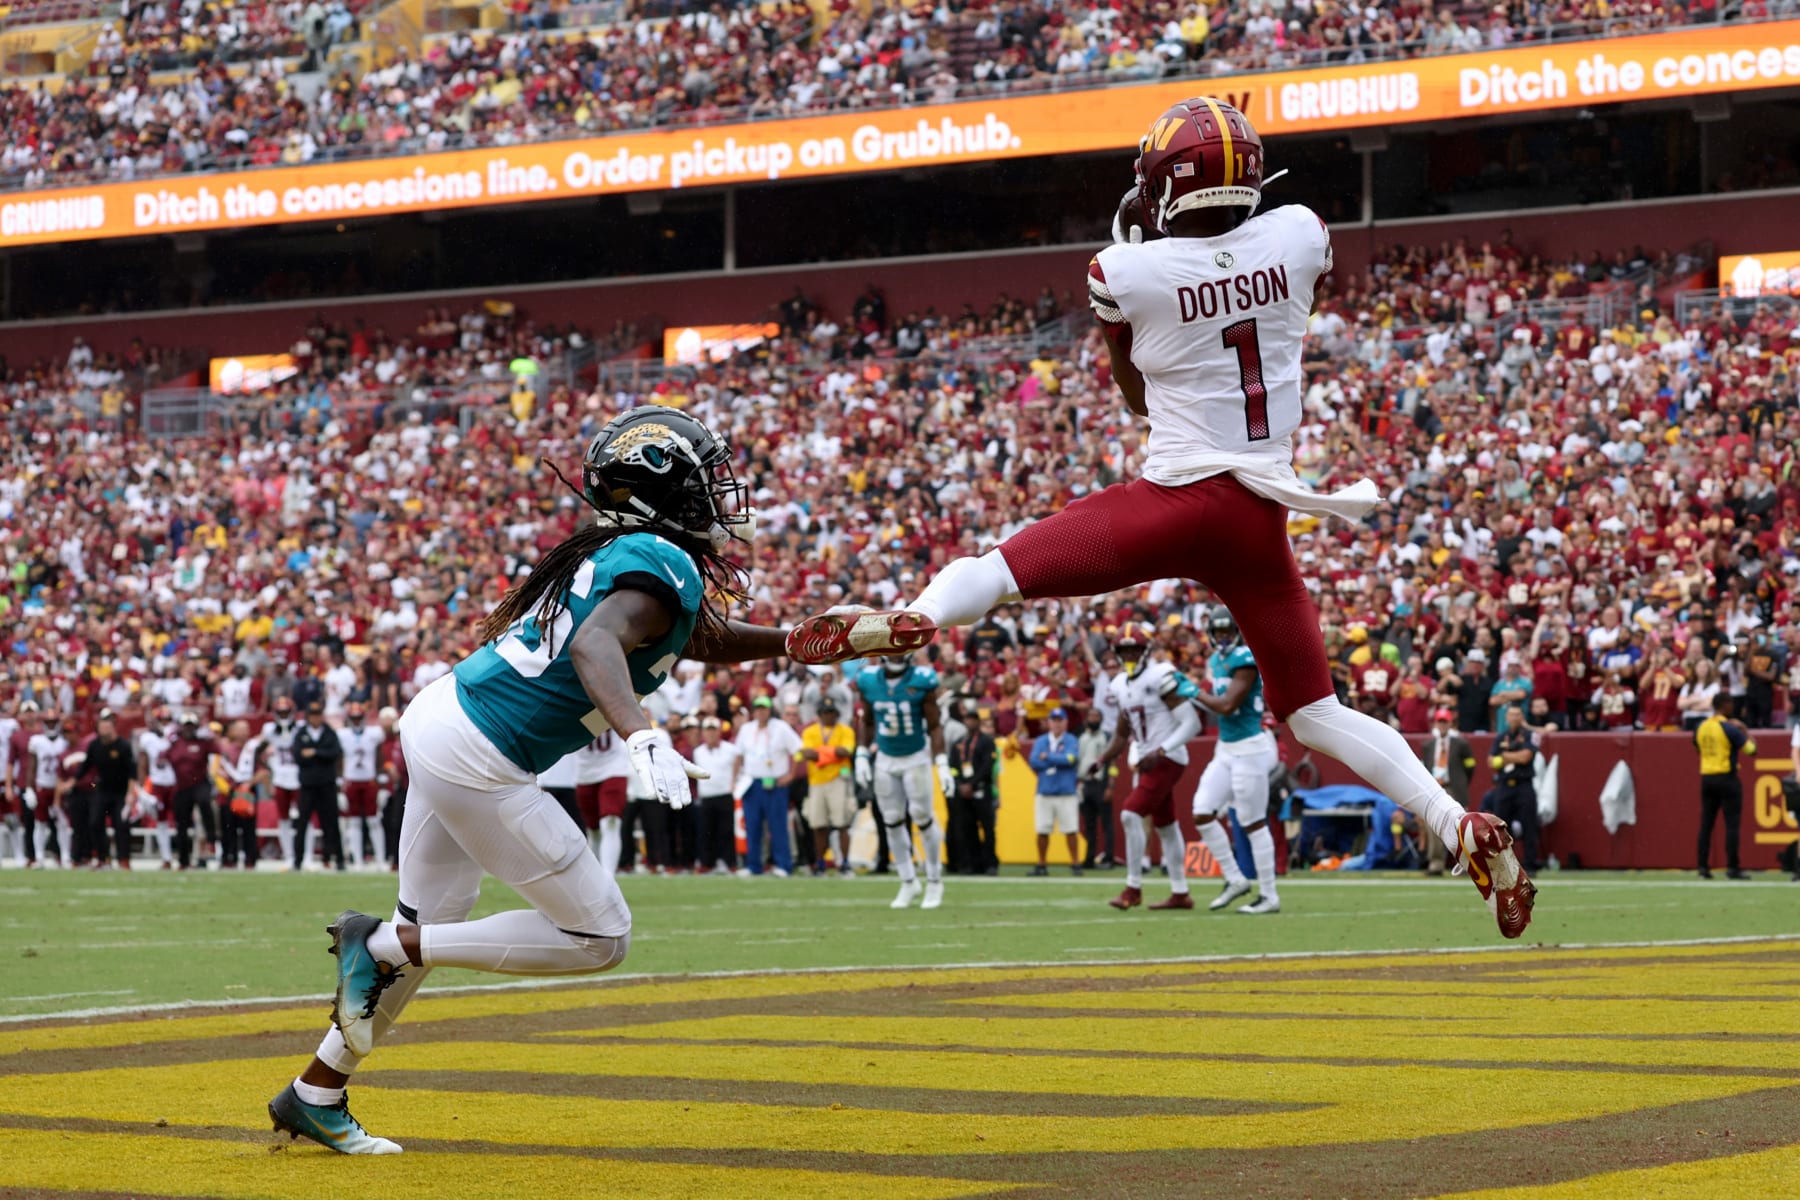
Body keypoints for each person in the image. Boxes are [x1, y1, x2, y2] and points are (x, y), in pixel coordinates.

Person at [787, 97, 1533, 940]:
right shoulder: (1301, 234)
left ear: (1164, 187)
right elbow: (1272, 301)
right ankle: (1452, 824)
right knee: (1317, 712)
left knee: (999, 572)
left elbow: (1137, 393)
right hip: (1260, 515)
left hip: (1176, 502)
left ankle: (918, 615)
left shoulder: (1124, 271)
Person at [269, 407, 789, 1154]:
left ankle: (315, 1091)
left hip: (447, 717)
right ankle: (378, 943)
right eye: (702, 479)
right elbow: (597, 641)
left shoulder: (630, 553)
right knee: (600, 936)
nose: (716, 494)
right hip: (482, 751)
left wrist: (799, 642)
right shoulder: (658, 560)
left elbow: (688, 635)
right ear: (665, 488)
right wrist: (641, 730)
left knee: (427, 931)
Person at [1089, 623, 1200, 911]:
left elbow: (1192, 723)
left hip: (1168, 757)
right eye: (1124, 650)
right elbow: (1123, 733)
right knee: (1166, 825)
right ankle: (1180, 893)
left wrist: (1163, 749)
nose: (1129, 655)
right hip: (1149, 758)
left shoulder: (1161, 675)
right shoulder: (1119, 685)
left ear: (1146, 650)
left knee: (1129, 814)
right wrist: (1102, 758)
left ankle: (1133, 887)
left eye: (1134, 649)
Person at [1188, 607, 1280, 913]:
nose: (1224, 638)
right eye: (1219, 633)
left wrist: (1190, 690)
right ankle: (1235, 878)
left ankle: (1269, 895)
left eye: (1229, 632)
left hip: (1250, 748)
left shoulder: (1244, 659)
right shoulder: (1216, 660)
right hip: (1225, 748)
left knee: (1252, 822)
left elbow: (1227, 706)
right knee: (1202, 811)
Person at [855, 651, 951, 908]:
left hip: (915, 756)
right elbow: (866, 720)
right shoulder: (868, 679)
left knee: (922, 816)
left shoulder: (922, 679)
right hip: (886, 757)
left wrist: (941, 762)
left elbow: (934, 725)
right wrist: (862, 754)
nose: (896, 657)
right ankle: (908, 881)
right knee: (891, 820)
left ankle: (934, 880)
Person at [735, 696, 801, 877]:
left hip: (776, 783)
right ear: (753, 711)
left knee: (778, 826)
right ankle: (753, 865)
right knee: (753, 826)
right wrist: (734, 780)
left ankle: (783, 865)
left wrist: (791, 775)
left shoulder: (781, 728)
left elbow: (797, 751)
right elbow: (738, 756)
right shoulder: (746, 729)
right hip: (752, 782)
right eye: (757, 708)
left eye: (764, 708)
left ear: (770, 710)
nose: (761, 711)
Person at [1694, 694, 1753, 880]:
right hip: (1727, 778)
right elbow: (1752, 750)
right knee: (1732, 825)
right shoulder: (1728, 728)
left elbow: (1697, 747)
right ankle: (1732, 868)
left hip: (1707, 777)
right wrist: (1744, 729)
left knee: (1706, 824)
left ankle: (1703, 867)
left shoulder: (1701, 727)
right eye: (1730, 704)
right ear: (1725, 705)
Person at [800, 698, 856, 876]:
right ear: (819, 715)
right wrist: (832, 753)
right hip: (816, 781)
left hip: (838, 779)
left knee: (842, 823)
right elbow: (807, 754)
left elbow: (846, 751)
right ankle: (820, 862)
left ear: (836, 714)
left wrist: (821, 754)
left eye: (830, 712)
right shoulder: (810, 731)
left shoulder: (845, 730)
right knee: (818, 825)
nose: (827, 716)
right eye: (824, 713)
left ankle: (845, 862)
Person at [1416, 708, 1476, 875]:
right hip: (1435, 788)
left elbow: (1470, 768)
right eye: (1440, 722)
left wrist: (1461, 784)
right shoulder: (1428, 746)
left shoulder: (1461, 744)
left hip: (1453, 787)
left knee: (1460, 828)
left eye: (1445, 722)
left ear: (1450, 723)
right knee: (1432, 825)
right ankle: (1436, 863)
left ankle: (1465, 864)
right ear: (1436, 723)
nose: (1442, 725)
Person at [1486, 704, 1541, 875]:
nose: (1514, 718)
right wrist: (1512, 757)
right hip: (1504, 786)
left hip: (1524, 784)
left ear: (1522, 717)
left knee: (1529, 824)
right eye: (1511, 715)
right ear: (1506, 717)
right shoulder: (1501, 737)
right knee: (1501, 826)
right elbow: (1490, 761)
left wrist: (1504, 757)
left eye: (1517, 714)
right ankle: (1504, 863)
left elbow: (1526, 757)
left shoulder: (1531, 735)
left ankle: (1530, 863)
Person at [1027, 707, 1083, 876]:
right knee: (1042, 829)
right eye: (1054, 720)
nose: (1057, 724)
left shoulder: (1071, 740)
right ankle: (1042, 863)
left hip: (1066, 790)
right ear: (1049, 723)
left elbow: (1071, 759)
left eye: (1060, 720)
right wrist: (1057, 761)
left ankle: (1075, 863)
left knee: (1071, 829)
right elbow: (1034, 762)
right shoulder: (1041, 741)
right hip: (1045, 790)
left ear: (1066, 723)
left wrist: (1048, 758)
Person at [78, 709, 136, 869]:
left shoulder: (123, 746)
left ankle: (124, 859)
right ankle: (103, 858)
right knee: (95, 822)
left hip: (121, 792)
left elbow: (132, 772)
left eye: (107, 727)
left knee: (121, 825)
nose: (104, 731)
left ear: (113, 728)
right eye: (101, 727)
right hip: (102, 789)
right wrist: (73, 781)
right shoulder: (94, 745)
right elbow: (86, 766)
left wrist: (130, 794)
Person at [292, 703, 345, 872]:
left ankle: (338, 859)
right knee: (302, 823)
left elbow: (335, 753)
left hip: (326, 784)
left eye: (318, 714)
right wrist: (322, 754)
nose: (315, 717)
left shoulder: (329, 733)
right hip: (307, 785)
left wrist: (314, 752)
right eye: (312, 714)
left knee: (331, 823)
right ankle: (297, 860)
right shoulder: (301, 733)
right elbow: (298, 756)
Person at [948, 709, 999, 875]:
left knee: (988, 828)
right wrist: (961, 784)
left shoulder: (986, 742)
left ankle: (990, 863)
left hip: (981, 790)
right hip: (963, 792)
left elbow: (987, 766)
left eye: (973, 719)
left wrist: (972, 784)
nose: (970, 722)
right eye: (968, 719)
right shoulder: (959, 742)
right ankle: (971, 863)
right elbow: (953, 767)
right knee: (967, 829)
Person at [574, 730, 633, 872]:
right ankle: (597, 877)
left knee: (611, 822)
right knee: (593, 830)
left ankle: (608, 878)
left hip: (613, 769)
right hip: (584, 774)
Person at [339, 701, 387, 869]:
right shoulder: (343, 735)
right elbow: (339, 759)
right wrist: (339, 787)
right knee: (354, 822)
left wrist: (382, 783)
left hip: (369, 780)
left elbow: (380, 757)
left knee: (374, 821)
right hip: (351, 780)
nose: (357, 721)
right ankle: (357, 860)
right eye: (354, 718)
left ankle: (380, 859)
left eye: (359, 718)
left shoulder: (374, 734)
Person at [689, 719, 740, 873]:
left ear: (719, 731)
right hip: (707, 795)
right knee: (706, 832)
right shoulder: (698, 752)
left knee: (726, 831)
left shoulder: (730, 749)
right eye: (708, 730)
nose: (711, 733)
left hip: (725, 794)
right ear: (703, 733)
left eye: (713, 730)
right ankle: (707, 863)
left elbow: (739, 763)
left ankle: (729, 862)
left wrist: (734, 783)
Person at [260, 698, 304, 867]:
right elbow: (258, 752)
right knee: (283, 818)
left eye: (286, 712)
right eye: (281, 713)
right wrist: (269, 768)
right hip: (280, 777)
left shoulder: (300, 728)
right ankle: (289, 854)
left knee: (302, 818)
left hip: (299, 777)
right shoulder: (269, 730)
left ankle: (303, 855)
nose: (284, 716)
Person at [1077, 707, 1116, 869]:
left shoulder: (1106, 737)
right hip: (1085, 782)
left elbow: (1113, 762)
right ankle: (1089, 857)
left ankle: (1108, 857)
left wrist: (1111, 785)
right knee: (1089, 823)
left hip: (1101, 783)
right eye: (1091, 716)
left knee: (1106, 823)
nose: (1093, 719)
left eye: (1096, 716)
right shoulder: (1082, 737)